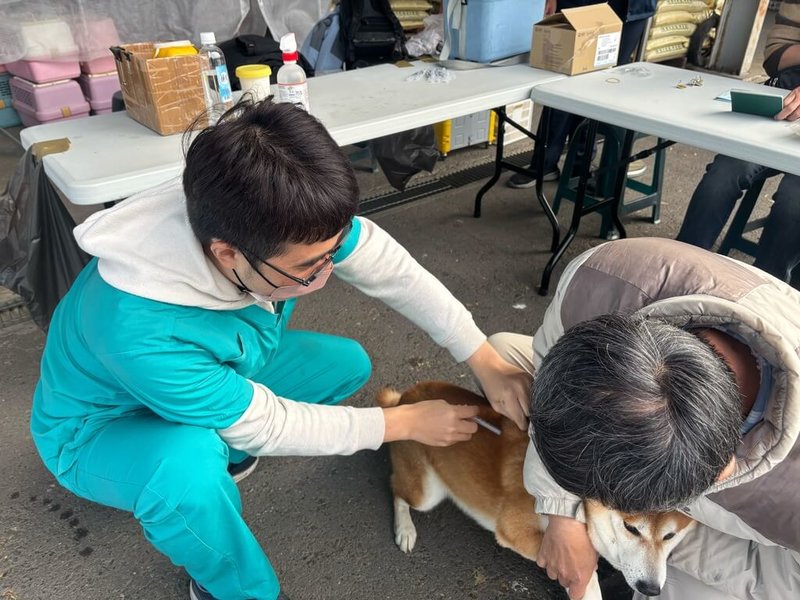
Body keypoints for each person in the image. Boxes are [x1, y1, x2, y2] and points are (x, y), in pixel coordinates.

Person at [30, 100, 532, 600]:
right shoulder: (136, 327)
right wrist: (399, 425)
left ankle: (227, 450)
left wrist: (482, 358)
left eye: (333, 252)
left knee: (346, 364)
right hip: (101, 427)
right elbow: (265, 422)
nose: (328, 272)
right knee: (185, 467)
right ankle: (232, 587)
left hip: (207, 377)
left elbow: (387, 266)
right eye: (310, 267)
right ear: (226, 253)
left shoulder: (266, 211)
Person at [487, 237, 800, 599]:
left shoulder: (789, 505)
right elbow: (548, 388)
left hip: (770, 550)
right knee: (500, 359)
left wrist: (648, 546)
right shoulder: (600, 277)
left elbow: (779, 581)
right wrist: (561, 514)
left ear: (718, 476)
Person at [677, 0, 800, 283]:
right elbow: (774, 56)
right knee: (726, 171)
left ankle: (764, 294)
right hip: (784, 110)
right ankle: (681, 267)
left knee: (794, 202)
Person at [507, 0, 657, 189]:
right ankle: (544, 163)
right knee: (563, 82)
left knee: (600, 88)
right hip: (581, 4)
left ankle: (579, 168)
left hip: (630, 8)